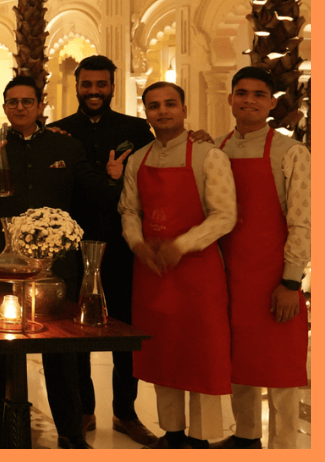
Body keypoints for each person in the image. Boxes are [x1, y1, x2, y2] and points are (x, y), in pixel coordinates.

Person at [0, 74, 100, 449]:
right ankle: (8, 426)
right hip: (6, 264)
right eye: (12, 102)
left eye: (27, 101)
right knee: (6, 347)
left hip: (57, 267)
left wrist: (111, 179)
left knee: (62, 351)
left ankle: (71, 431)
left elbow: (89, 196)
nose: (20, 108)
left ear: (40, 106)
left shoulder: (66, 146)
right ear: (4, 108)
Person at [116, 81, 236, 449]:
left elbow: (224, 215)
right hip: (152, 272)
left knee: (201, 356)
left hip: (199, 274)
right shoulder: (138, 159)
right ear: (146, 113)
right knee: (162, 355)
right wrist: (137, 244)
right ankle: (172, 433)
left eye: (170, 104)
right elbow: (128, 209)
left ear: (184, 110)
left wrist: (180, 246)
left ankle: (201, 439)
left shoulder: (208, 156)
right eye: (154, 106)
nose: (163, 111)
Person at [49, 55, 159, 446]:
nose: (94, 91)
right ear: (77, 86)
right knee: (75, 330)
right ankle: (83, 409)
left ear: (113, 86)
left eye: (101, 84)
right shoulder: (59, 132)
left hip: (123, 243)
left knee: (124, 330)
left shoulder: (136, 129)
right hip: (72, 246)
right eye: (87, 84)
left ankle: (125, 412)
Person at [213, 66, 311, 449]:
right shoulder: (216, 149)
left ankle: (284, 447)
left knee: (281, 368)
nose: (249, 100)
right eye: (242, 93)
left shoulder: (291, 152)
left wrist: (291, 281)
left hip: (274, 277)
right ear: (230, 99)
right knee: (239, 360)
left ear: (271, 103)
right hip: (228, 276)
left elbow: (302, 221)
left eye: (258, 94)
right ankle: (245, 437)